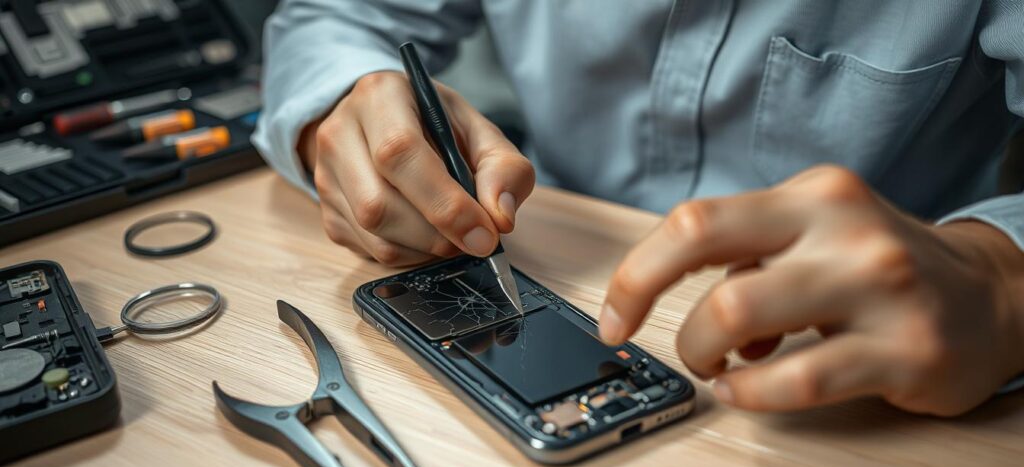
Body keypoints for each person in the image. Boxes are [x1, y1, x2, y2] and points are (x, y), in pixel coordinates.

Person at [253, 1, 1024, 416]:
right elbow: (336, 18)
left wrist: (997, 278)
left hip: (875, 345)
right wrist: (342, 113)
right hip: (546, 250)